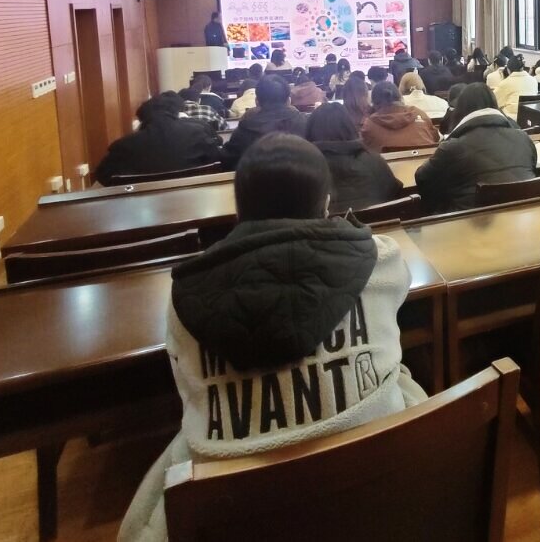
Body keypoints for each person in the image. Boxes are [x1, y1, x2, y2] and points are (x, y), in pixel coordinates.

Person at [118, 133, 426, 542]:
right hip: (377, 497)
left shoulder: (181, 302)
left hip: (228, 511)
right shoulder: (380, 261)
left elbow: (186, 392)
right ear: (326, 205)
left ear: (239, 211)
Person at [415, 84, 536, 213]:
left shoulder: (453, 147)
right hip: (523, 214)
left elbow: (422, 179)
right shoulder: (523, 138)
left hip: (468, 220)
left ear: (460, 111)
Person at [94, 92, 221, 186]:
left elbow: (102, 176)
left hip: (142, 210)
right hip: (198, 204)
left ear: (141, 120)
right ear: (176, 113)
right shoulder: (198, 133)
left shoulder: (123, 146)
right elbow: (217, 163)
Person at [306, 103, 403, 211]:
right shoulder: (374, 161)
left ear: (310, 131)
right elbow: (395, 198)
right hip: (376, 221)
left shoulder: (303, 169)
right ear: (349, 127)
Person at [222, 75, 308, 167]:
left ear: (257, 101)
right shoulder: (305, 123)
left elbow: (228, 160)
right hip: (300, 175)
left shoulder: (243, 130)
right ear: (288, 101)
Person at [360, 82, 440, 153]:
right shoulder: (418, 113)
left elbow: (364, 150)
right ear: (400, 97)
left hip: (388, 164)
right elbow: (435, 137)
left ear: (373, 103)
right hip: (427, 162)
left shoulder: (369, 125)